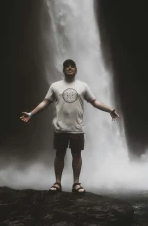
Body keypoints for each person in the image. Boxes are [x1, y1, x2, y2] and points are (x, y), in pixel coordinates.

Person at [20, 59, 119, 194]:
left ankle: (76, 183)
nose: (70, 68)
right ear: (63, 69)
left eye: (72, 66)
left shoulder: (83, 86)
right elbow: (45, 102)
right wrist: (31, 114)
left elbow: (94, 101)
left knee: (77, 155)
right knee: (59, 155)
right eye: (67, 66)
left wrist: (110, 110)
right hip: (60, 127)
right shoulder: (55, 86)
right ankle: (57, 182)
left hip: (77, 128)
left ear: (76, 69)